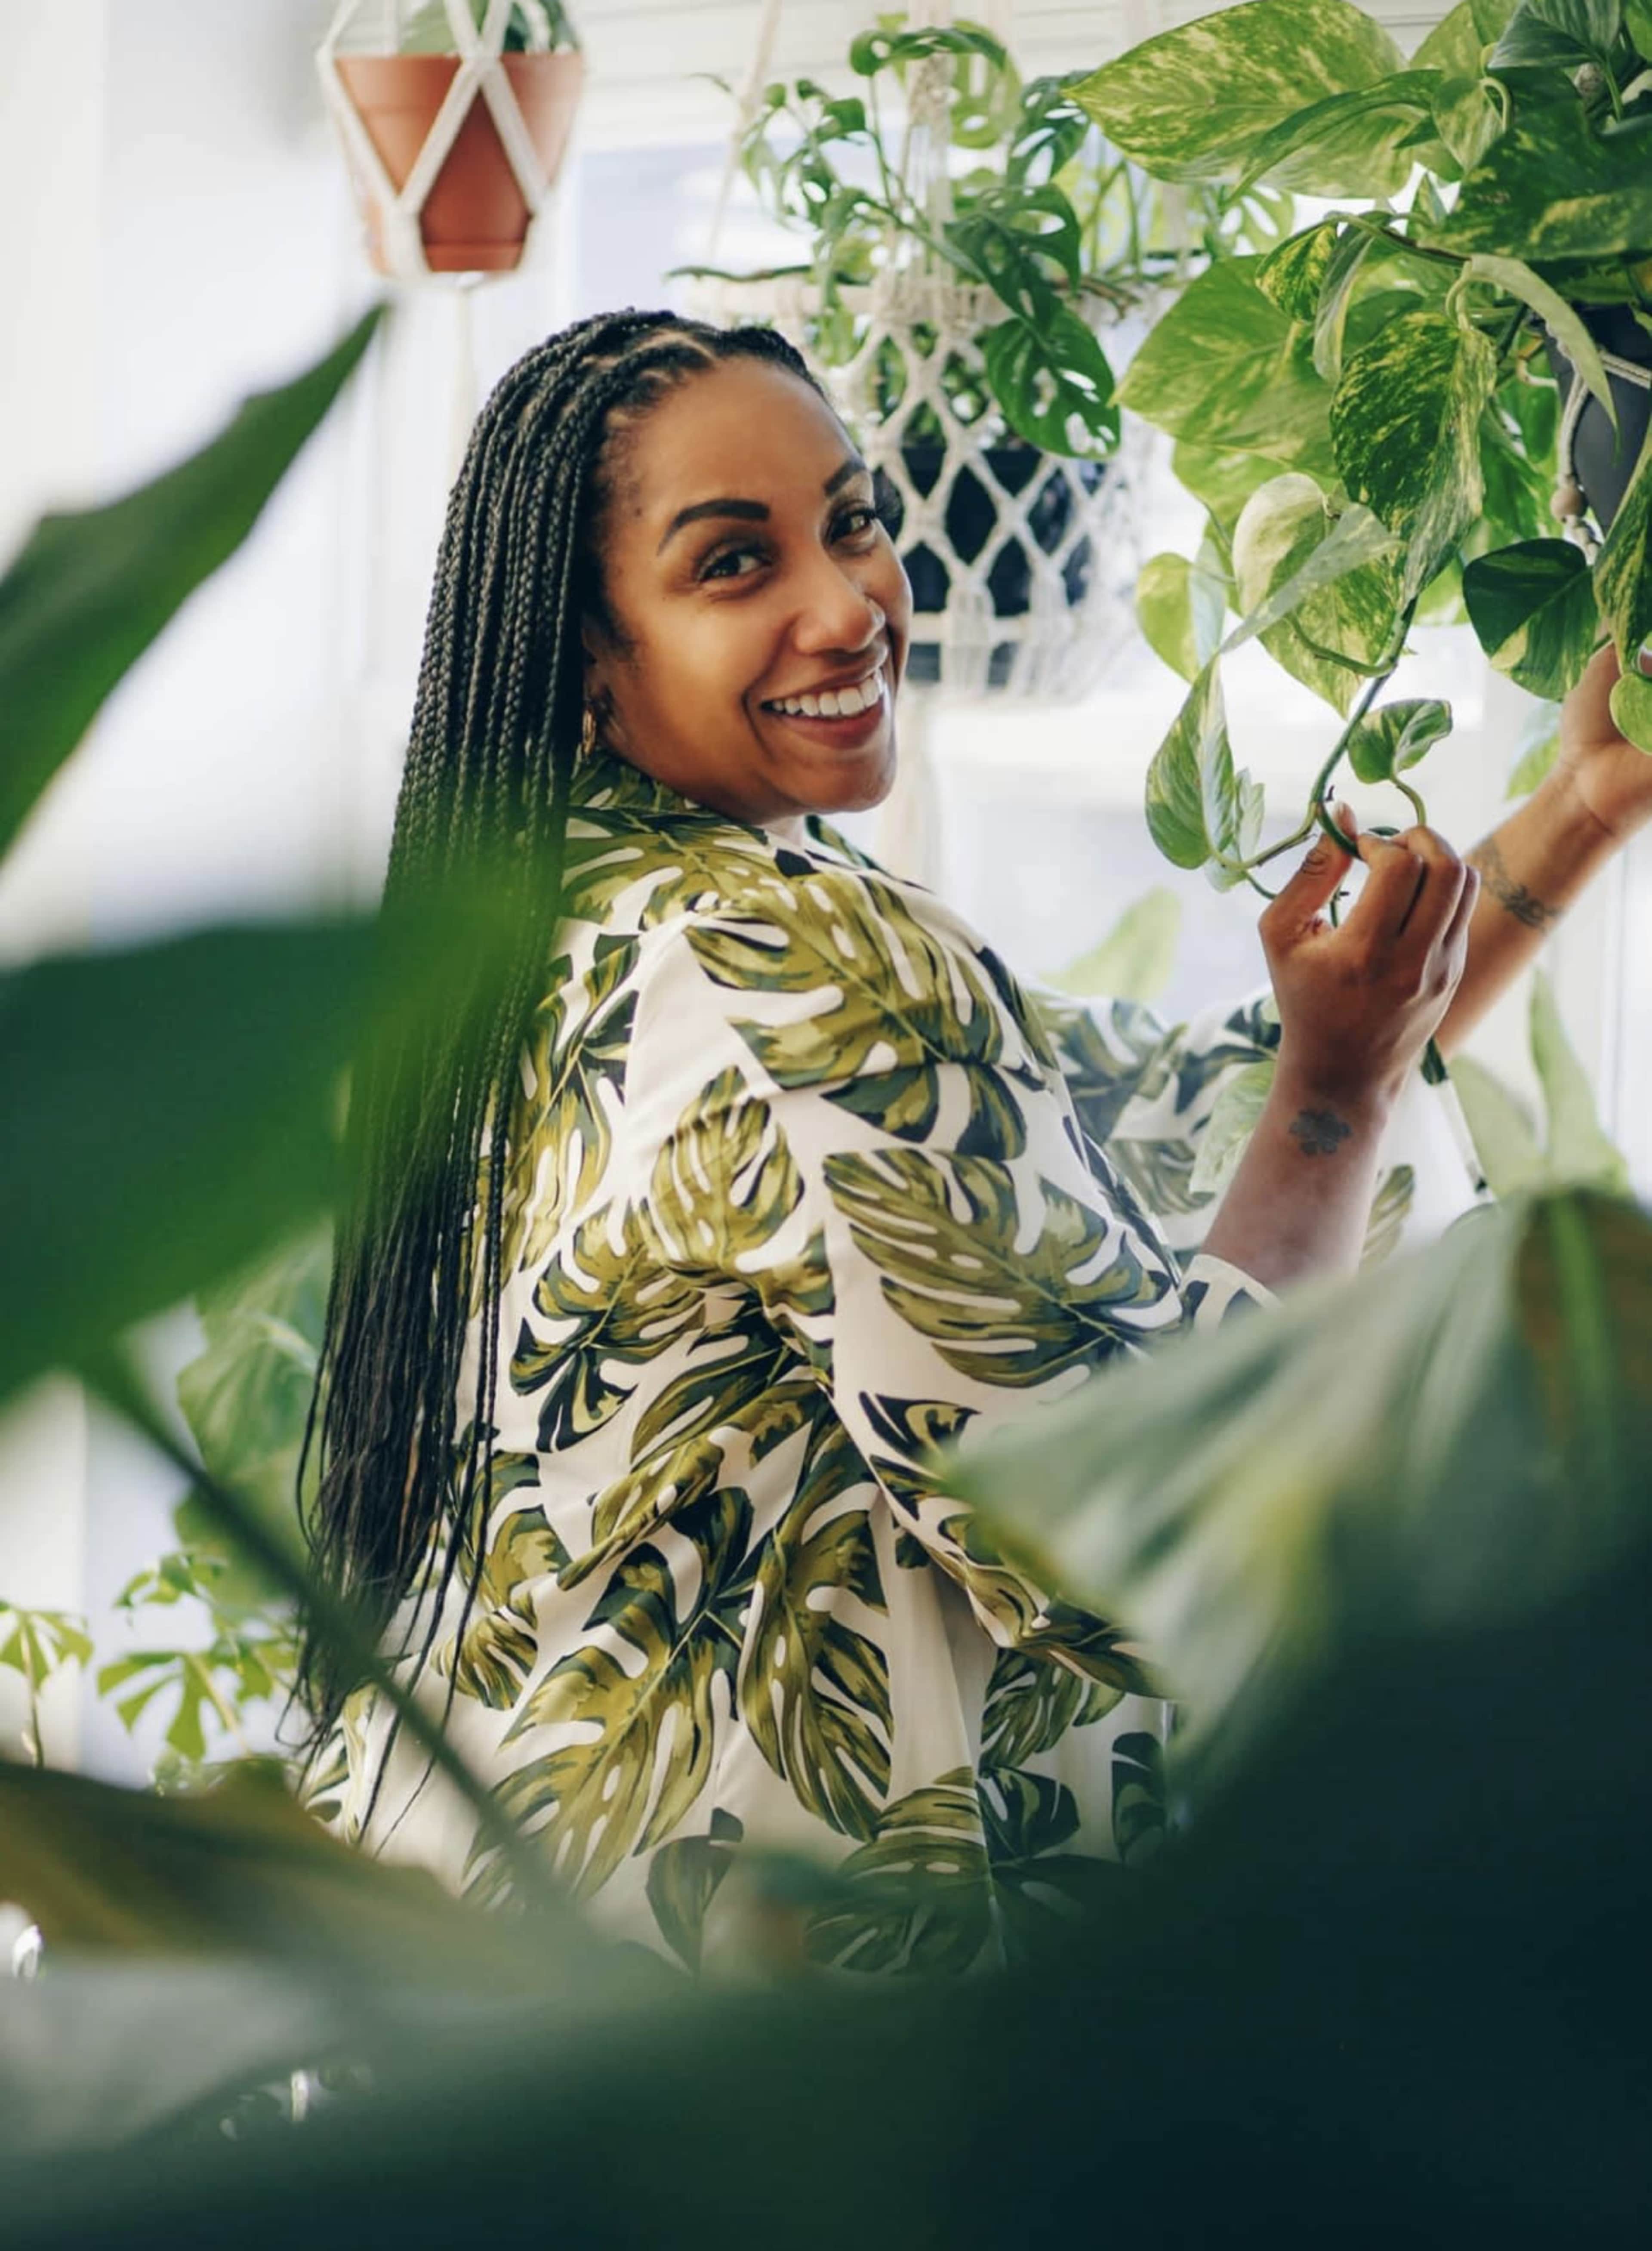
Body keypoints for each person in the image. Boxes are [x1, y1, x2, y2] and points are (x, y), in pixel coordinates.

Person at [299, 307, 1650, 1975]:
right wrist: (1339, 1100)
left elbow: (1173, 1117)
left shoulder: (536, 923)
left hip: (476, 1949)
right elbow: (1144, 1539)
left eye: (851, 519)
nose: (844, 603)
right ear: (592, 648)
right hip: (736, 2012)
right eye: (734, 563)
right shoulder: (793, 955)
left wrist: (1581, 805)